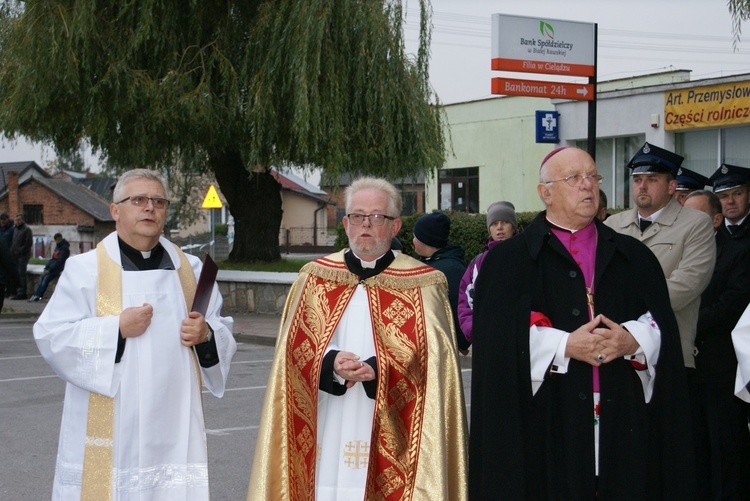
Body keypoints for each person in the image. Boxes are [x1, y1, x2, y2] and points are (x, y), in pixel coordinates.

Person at [470, 146, 695, 498]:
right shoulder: (506, 262)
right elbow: (494, 339)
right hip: (546, 415)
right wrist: (563, 345)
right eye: (574, 178)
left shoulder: (633, 255)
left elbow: (660, 320)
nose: (587, 185)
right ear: (545, 192)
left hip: (622, 410)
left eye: (593, 176)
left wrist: (633, 339)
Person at [247, 177, 468, 500]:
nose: (366, 225)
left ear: (395, 227)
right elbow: (291, 351)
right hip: (326, 418)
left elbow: (435, 360)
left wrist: (380, 368)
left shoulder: (424, 283)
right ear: (346, 222)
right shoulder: (315, 276)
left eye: (377, 217)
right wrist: (331, 362)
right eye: (357, 216)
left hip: (396, 423)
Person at [33, 169, 237, 500]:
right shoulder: (86, 270)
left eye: (158, 201)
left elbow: (219, 328)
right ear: (115, 210)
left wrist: (206, 334)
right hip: (115, 421)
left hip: (172, 420)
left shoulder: (191, 271)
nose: (149, 208)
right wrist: (115, 329)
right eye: (138, 200)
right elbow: (52, 336)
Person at [605, 142, 715, 369]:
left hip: (668, 351)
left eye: (652, 180)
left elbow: (688, 284)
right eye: (637, 180)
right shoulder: (613, 225)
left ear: (671, 186)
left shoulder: (695, 224)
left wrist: (626, 300)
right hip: (616, 350)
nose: (642, 186)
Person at [683, 189, 750, 499]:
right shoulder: (684, 251)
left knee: (725, 442)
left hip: (721, 364)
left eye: (695, 216)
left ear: (716, 220)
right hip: (688, 364)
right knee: (694, 442)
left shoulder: (738, 253)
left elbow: (732, 304)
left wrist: (687, 321)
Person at [457, 200, 518, 343]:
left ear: (514, 227)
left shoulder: (527, 257)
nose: (499, 228)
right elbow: (466, 301)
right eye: (494, 223)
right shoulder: (478, 263)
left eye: (505, 222)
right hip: (487, 340)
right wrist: (474, 331)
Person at [412, 211, 469, 353]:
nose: (412, 240)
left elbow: (460, 305)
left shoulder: (450, 270)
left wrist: (462, 341)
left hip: (441, 347)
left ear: (425, 240)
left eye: (415, 236)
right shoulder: (426, 264)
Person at [709, 163, 750, 244]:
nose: (730, 201)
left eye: (737, 194)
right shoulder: (710, 231)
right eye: (723, 196)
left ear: (749, 196)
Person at [28, 233, 70, 302]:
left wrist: (50, 269)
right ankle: (36, 295)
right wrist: (47, 267)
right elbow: (53, 259)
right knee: (43, 278)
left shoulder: (64, 248)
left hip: (58, 268)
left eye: (59, 239)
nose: (58, 241)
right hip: (53, 267)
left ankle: (38, 296)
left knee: (45, 280)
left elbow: (59, 261)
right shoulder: (58, 247)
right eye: (56, 240)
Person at [10, 213, 32, 299]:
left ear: (22, 220)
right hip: (15, 255)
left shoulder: (26, 230)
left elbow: (28, 243)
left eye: (19, 220)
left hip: (23, 255)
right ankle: (16, 291)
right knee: (16, 274)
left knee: (21, 273)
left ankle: (22, 292)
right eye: (16, 220)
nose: (17, 221)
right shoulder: (15, 229)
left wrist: (20, 250)